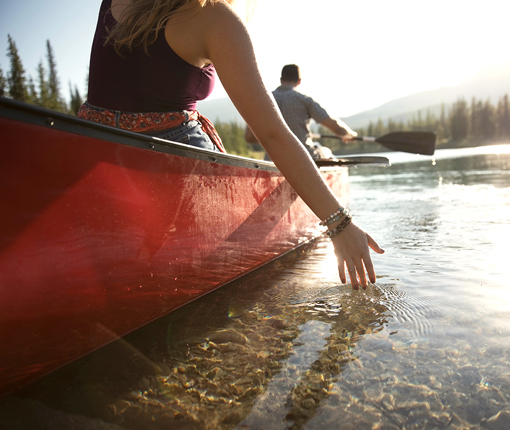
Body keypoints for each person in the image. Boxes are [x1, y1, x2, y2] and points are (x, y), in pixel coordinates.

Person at [78, 0, 384, 290]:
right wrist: (340, 224)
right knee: (322, 154)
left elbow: (255, 138)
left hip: (90, 144)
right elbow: (273, 135)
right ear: (299, 81)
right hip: (176, 161)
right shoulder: (214, 17)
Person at [245, 64, 357, 160]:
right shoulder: (304, 100)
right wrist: (350, 134)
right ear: (299, 81)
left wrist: (274, 140)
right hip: (305, 157)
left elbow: (249, 137)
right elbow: (336, 128)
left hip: (273, 159)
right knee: (326, 151)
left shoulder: (263, 101)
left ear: (281, 80)